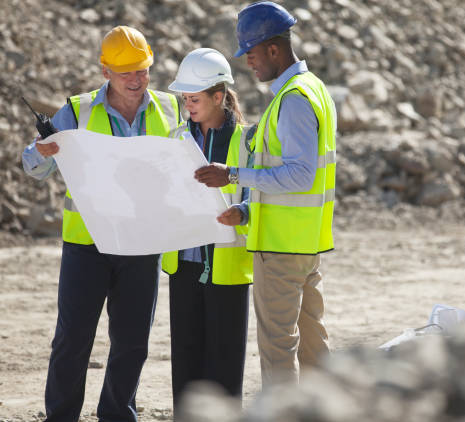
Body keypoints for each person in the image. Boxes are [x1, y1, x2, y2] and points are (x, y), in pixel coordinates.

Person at [21, 26, 181, 422]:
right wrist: (43, 152)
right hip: (86, 245)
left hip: (142, 244)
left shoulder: (170, 109)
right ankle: (61, 417)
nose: (136, 79)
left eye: (142, 70)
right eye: (125, 72)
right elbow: (33, 166)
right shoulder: (78, 110)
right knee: (72, 340)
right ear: (105, 71)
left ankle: (116, 414)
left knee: (132, 343)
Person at [196, 1, 337, 386]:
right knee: (313, 345)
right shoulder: (314, 89)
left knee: (278, 350)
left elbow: (300, 176)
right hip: (306, 244)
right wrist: (245, 209)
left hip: (281, 248)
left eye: (252, 54)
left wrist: (234, 175)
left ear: (273, 49)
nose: (248, 63)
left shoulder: (292, 99)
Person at [160, 48, 254, 406]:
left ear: (219, 96)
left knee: (225, 366)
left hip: (227, 271)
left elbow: (259, 197)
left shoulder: (247, 141)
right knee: (185, 364)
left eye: (195, 98)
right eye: (185, 99)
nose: (188, 106)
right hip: (184, 266)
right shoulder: (175, 139)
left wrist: (241, 213)